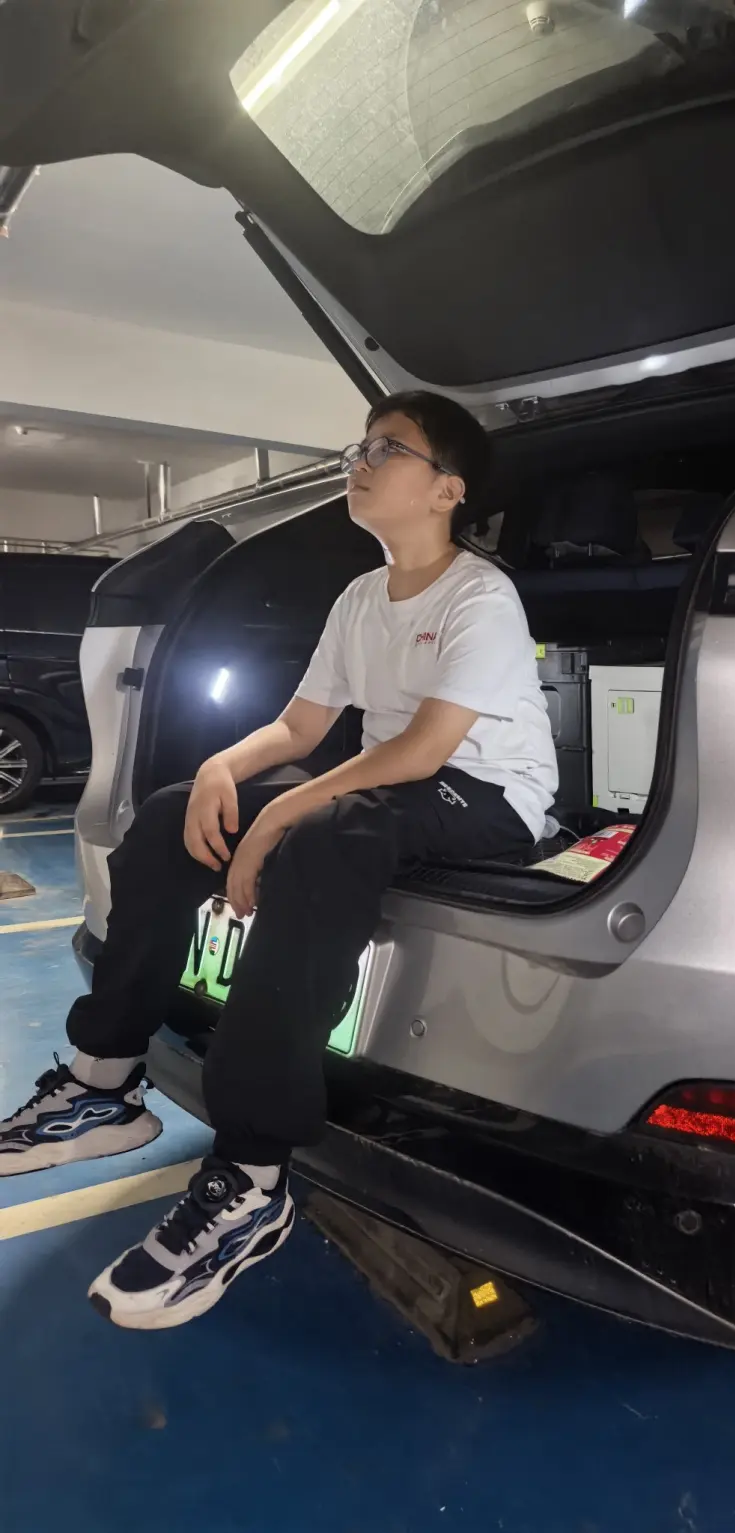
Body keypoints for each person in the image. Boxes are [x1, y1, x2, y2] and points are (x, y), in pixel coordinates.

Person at [0, 391, 558, 1330]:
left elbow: (425, 751)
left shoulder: (480, 594)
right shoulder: (361, 597)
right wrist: (222, 767)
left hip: (489, 796)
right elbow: (301, 727)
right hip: (392, 791)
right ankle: (103, 1084)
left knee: (328, 834)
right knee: (173, 815)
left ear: (447, 490)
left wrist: (289, 811)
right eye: (361, 446)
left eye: (388, 449)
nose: (360, 461)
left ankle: (253, 1175)